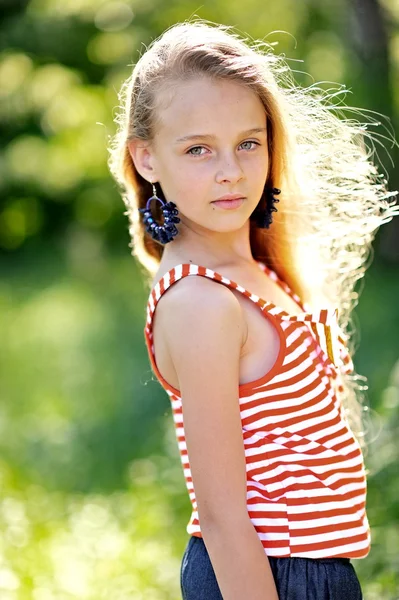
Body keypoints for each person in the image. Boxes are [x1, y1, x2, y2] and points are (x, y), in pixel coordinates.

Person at [108, 19, 398, 600]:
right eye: (198, 150)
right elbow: (222, 518)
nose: (231, 171)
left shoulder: (256, 274)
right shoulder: (200, 303)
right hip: (267, 573)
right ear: (146, 159)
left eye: (248, 142)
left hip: (313, 569)